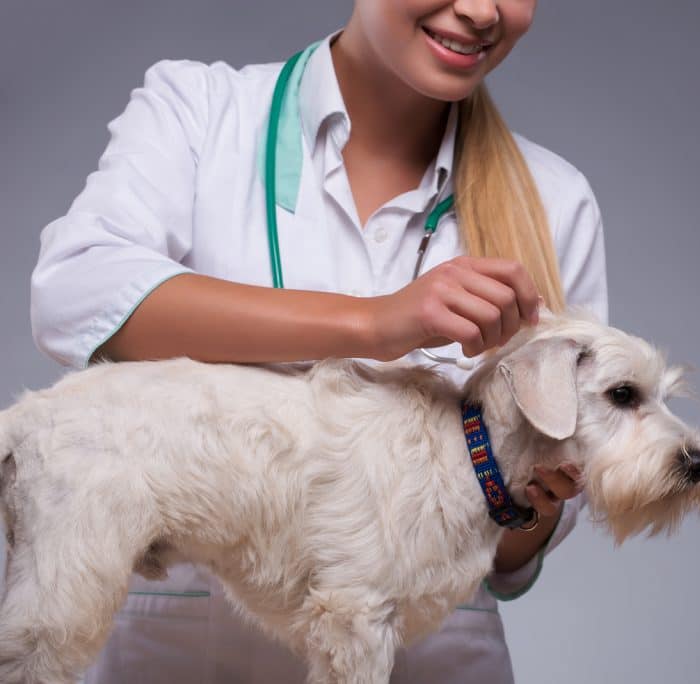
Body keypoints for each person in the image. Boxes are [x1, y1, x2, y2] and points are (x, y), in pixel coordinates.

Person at [29, 1, 607, 682]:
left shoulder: (554, 200)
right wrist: (374, 322)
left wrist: (527, 495)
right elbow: (76, 294)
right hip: (180, 657)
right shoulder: (202, 112)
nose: (481, 10)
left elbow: (514, 561)